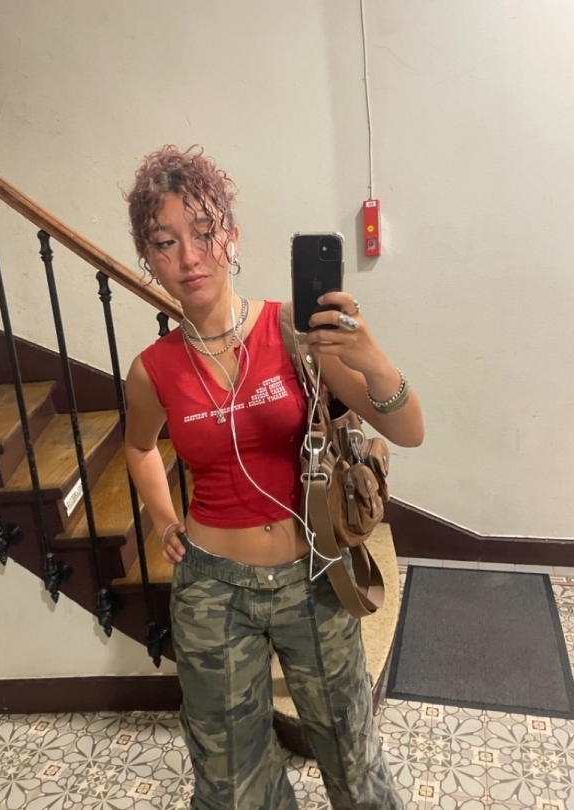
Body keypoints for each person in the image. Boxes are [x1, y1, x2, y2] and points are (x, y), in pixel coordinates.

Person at [124, 144, 424, 810]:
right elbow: (139, 448)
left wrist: (372, 358)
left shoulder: (292, 331)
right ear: (149, 258)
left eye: (204, 231)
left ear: (231, 235)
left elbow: (409, 430)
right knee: (232, 783)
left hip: (311, 575)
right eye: (166, 243)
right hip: (211, 591)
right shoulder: (152, 370)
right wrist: (164, 518)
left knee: (352, 757)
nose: (190, 257)